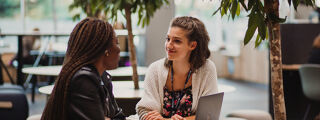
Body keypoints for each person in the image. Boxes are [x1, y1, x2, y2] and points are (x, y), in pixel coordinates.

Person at [41, 17, 125, 120]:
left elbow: (119, 116)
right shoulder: (84, 80)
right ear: (106, 50)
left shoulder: (103, 77)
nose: (119, 49)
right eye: (117, 43)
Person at [136, 16, 218, 120]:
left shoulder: (207, 69)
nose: (169, 45)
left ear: (192, 45)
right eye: (168, 39)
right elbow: (144, 110)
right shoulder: (155, 69)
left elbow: (209, 115)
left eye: (177, 41)